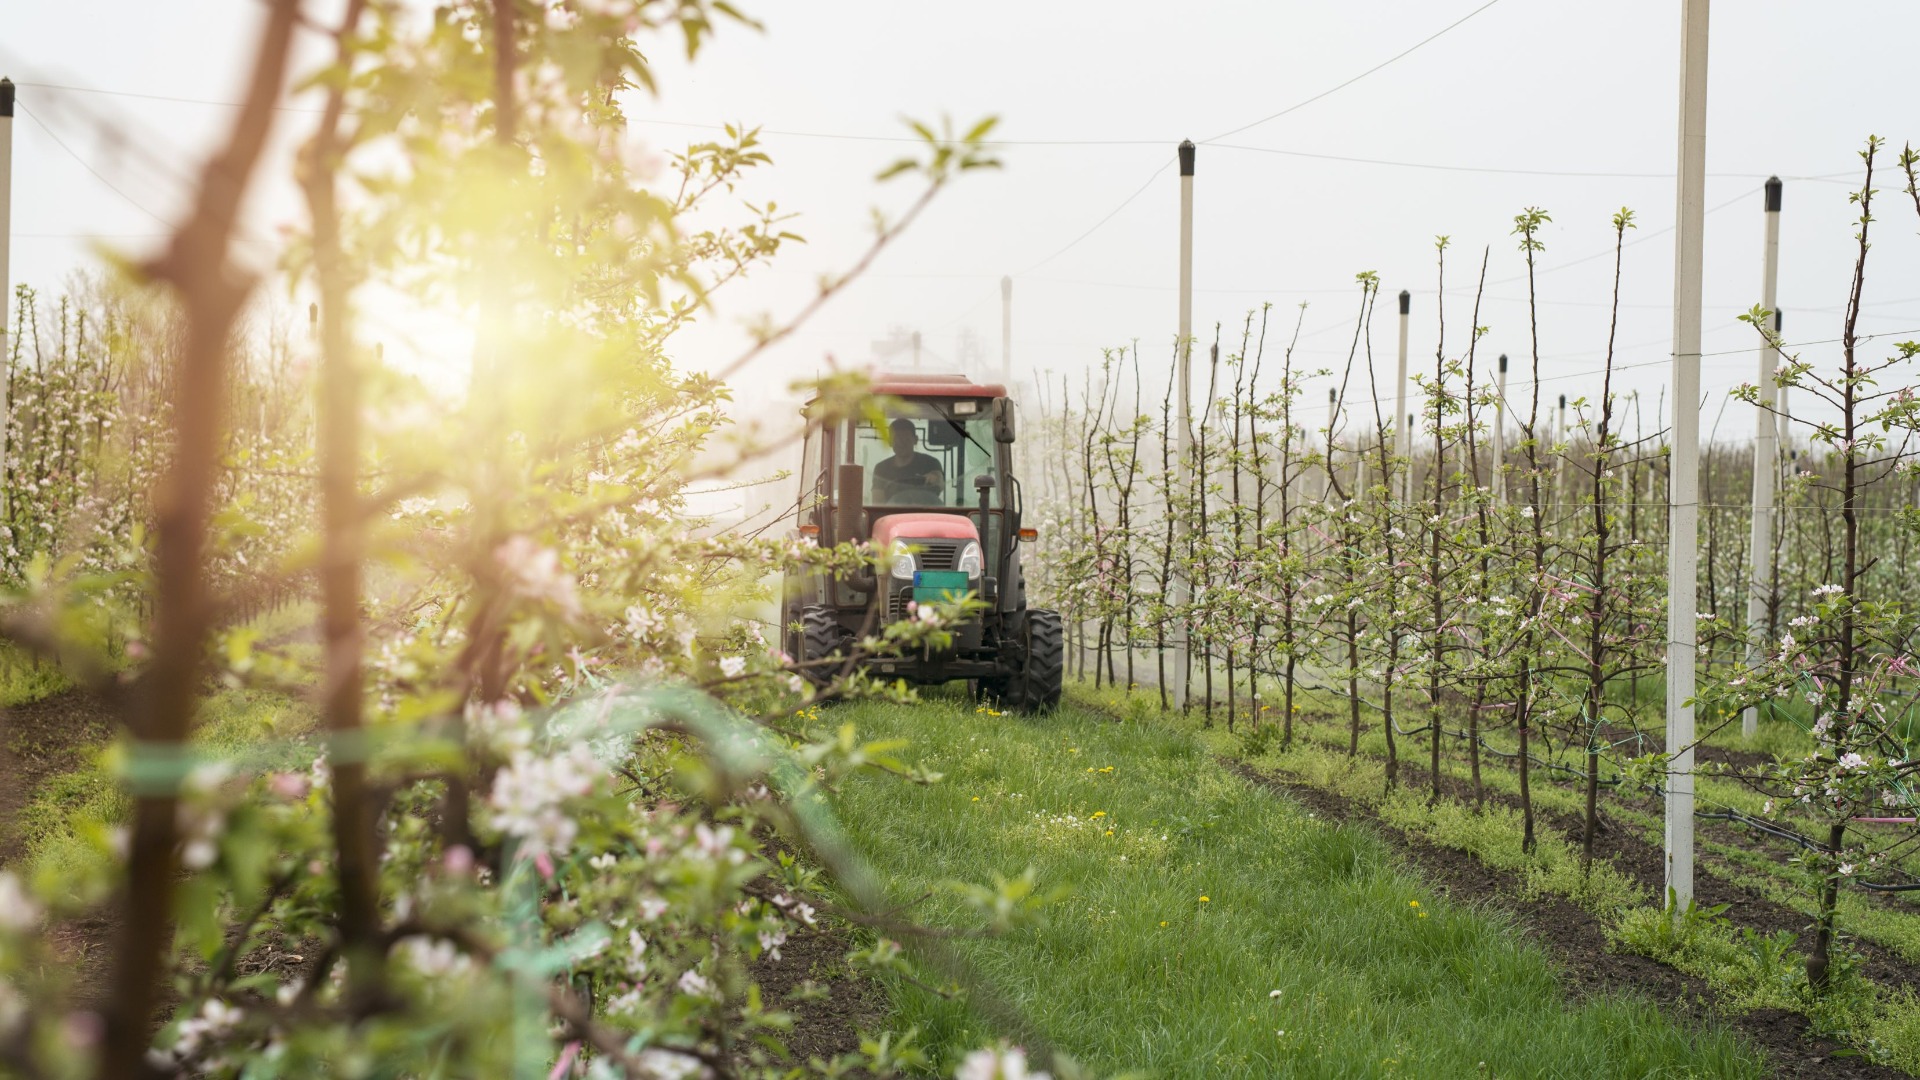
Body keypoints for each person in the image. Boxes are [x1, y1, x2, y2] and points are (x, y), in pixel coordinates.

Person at [872, 418, 945, 503]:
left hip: (925, 514)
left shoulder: (931, 463)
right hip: (893, 515)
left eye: (906, 437)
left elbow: (939, 481)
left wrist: (935, 478)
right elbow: (878, 502)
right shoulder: (881, 468)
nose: (901, 442)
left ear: (915, 440)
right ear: (890, 442)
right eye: (896, 438)